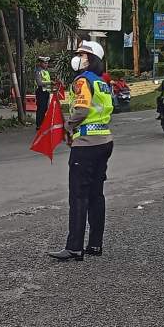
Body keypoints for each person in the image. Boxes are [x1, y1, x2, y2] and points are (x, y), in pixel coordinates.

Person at [48, 41, 114, 261]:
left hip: (86, 144)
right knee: (96, 194)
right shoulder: (103, 83)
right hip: (104, 141)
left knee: (78, 195)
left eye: (82, 55)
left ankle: (75, 247)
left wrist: (68, 126)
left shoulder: (83, 80)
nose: (78, 58)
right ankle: (95, 244)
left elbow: (83, 109)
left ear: (92, 59)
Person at [34, 56, 52, 130]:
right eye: (45, 63)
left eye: (47, 63)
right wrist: (50, 82)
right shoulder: (38, 71)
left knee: (45, 108)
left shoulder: (46, 71)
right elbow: (39, 83)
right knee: (41, 108)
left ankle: (43, 123)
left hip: (46, 92)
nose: (46, 64)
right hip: (40, 91)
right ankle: (39, 125)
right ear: (40, 63)